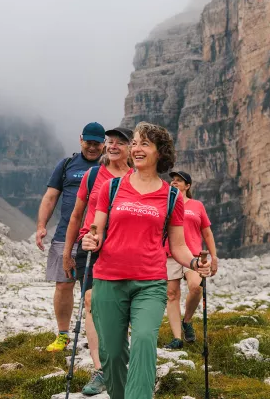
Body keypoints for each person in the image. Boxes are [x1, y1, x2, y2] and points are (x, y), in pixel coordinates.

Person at [82, 121, 211, 399]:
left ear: (159, 152)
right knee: (112, 353)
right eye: (136, 143)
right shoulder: (112, 188)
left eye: (145, 144)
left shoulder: (172, 196)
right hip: (108, 279)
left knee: (143, 341)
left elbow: (178, 246)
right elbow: (96, 229)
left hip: (150, 283)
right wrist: (90, 240)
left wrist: (194, 264)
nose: (137, 149)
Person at [62, 127, 133, 395]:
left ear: (131, 148)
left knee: (120, 306)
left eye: (120, 142)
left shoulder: (138, 178)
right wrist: (67, 253)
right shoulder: (93, 175)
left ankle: (119, 361)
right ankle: (102, 369)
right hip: (90, 247)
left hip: (124, 249)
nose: (113, 146)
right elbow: (76, 214)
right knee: (91, 301)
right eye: (110, 142)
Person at [35, 122, 105, 352]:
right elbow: (50, 196)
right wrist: (41, 226)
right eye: (89, 142)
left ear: (104, 144)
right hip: (65, 236)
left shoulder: (110, 167)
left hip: (99, 239)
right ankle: (63, 335)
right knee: (63, 286)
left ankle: (101, 335)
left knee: (98, 291)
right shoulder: (66, 165)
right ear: (80, 140)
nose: (92, 147)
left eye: (97, 143)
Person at [163, 171, 218, 349]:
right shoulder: (166, 204)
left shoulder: (197, 205)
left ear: (188, 186)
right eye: (173, 180)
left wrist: (214, 256)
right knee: (172, 295)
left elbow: (207, 233)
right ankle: (177, 338)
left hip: (192, 255)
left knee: (196, 287)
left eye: (179, 181)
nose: (174, 183)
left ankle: (186, 320)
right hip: (169, 254)